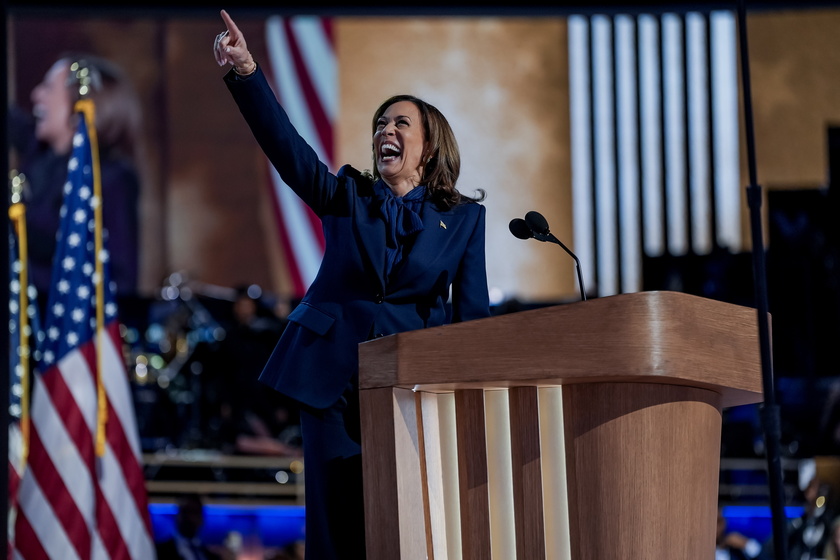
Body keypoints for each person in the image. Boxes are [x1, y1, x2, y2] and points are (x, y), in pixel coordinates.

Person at [213, 9, 490, 560]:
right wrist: (246, 73)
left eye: (400, 124)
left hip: (407, 387)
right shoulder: (349, 196)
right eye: (381, 125)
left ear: (429, 146)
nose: (386, 131)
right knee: (335, 524)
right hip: (330, 381)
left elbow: (472, 316)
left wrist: (467, 400)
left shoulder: (462, 220)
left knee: (402, 519)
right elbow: (288, 151)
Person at [8, 52, 142, 307]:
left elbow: (121, 280)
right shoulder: (41, 161)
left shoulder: (112, 178)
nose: (36, 94)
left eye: (48, 87)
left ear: (82, 101)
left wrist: (18, 276)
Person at [155, 494, 227, 560]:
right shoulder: (159, 552)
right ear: (178, 515)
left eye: (194, 512)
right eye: (185, 511)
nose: (189, 517)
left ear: (201, 518)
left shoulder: (212, 556)